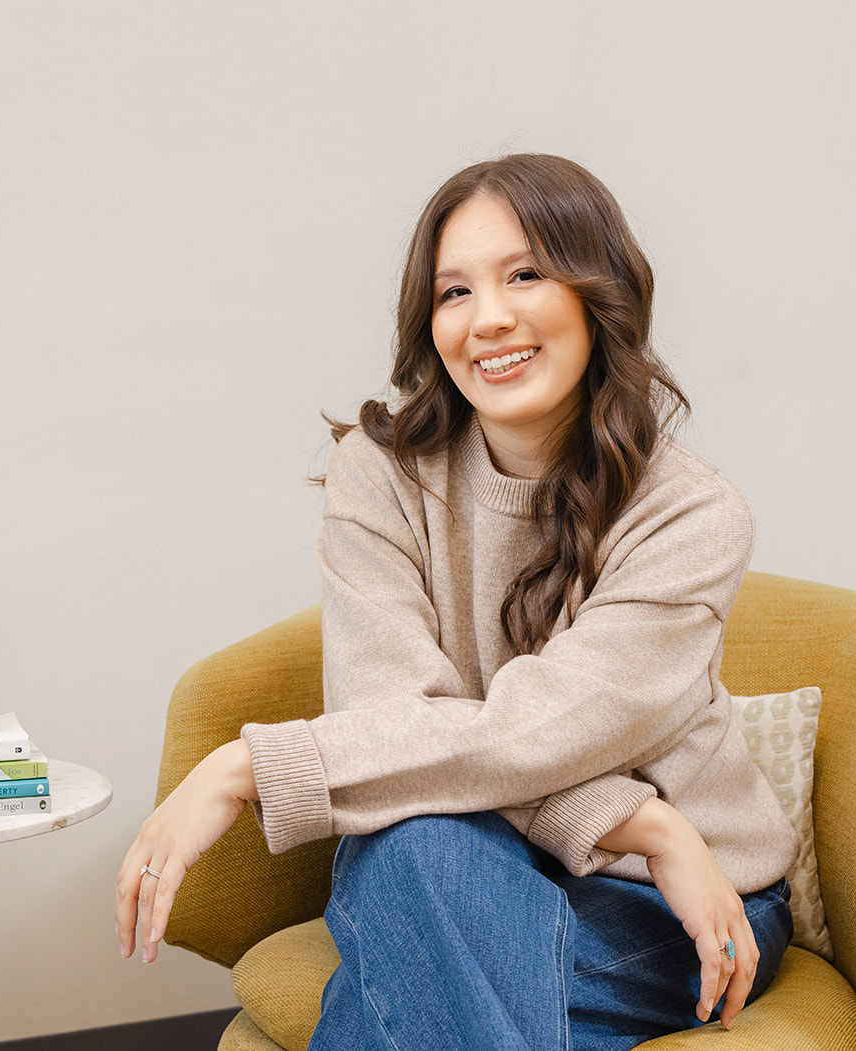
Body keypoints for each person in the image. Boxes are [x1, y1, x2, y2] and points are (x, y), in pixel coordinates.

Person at [116, 153, 798, 1050]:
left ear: (601, 293)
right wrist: (644, 820)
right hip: (489, 854)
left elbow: (543, 729)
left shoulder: (692, 515)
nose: (491, 319)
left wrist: (251, 767)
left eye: (526, 274)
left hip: (673, 904)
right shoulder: (380, 474)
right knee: (416, 850)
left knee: (401, 942)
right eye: (454, 292)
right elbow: (396, 722)